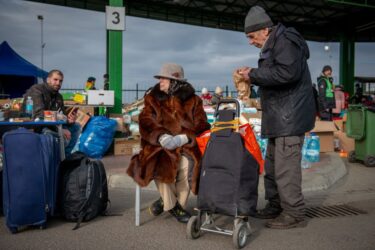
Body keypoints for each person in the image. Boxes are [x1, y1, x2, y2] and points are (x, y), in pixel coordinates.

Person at [237, 5, 315, 229]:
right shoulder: (276, 43)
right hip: (279, 117)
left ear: (265, 30)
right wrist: (253, 75)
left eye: (251, 36)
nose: (250, 41)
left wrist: (252, 74)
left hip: (289, 118)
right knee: (272, 166)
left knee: (285, 168)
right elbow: (278, 73)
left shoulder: (286, 41)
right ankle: (275, 205)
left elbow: (287, 73)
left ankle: (294, 212)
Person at [126, 63, 210, 223]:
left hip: (185, 146)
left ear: (175, 81)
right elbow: (145, 120)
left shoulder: (194, 100)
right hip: (158, 146)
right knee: (160, 163)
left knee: (187, 167)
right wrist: (160, 136)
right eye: (160, 78)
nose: (160, 81)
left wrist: (185, 137)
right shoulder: (152, 98)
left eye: (164, 78)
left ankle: (167, 202)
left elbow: (203, 124)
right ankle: (174, 208)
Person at [22, 69, 81, 157]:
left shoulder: (58, 96)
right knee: (62, 139)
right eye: (55, 80)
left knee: (76, 127)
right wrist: (60, 129)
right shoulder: (36, 90)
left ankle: (65, 158)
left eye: (60, 81)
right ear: (48, 80)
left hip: (53, 125)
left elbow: (62, 116)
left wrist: (69, 120)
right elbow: (39, 115)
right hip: (38, 126)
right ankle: (55, 159)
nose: (58, 83)